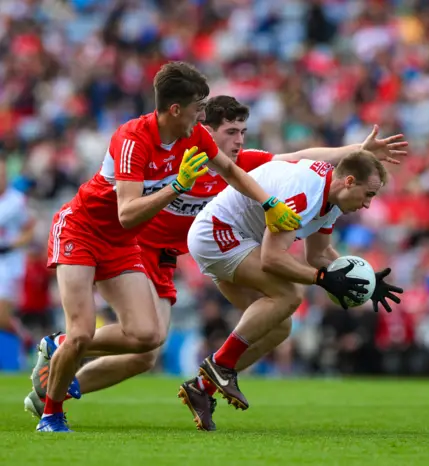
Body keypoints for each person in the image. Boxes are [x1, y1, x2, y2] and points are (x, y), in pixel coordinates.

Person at [25, 95, 407, 431]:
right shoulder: (177, 157)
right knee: (147, 339)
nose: (240, 140)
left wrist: (357, 149)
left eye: (243, 131)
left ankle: (53, 389)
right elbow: (125, 194)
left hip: (168, 255)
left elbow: (300, 159)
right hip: (134, 245)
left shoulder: (242, 169)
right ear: (203, 130)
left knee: (155, 353)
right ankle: (65, 348)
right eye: (231, 132)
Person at [35, 63, 302, 433]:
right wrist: (177, 186)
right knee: (82, 332)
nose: (202, 116)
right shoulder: (133, 138)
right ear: (175, 109)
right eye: (197, 108)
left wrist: (270, 203)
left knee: (148, 337)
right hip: (81, 231)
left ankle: (60, 347)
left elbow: (233, 171)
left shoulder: (194, 137)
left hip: (122, 243)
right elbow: (127, 214)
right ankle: (51, 413)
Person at [182, 150, 403, 428]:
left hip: (236, 238)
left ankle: (201, 388)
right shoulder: (305, 194)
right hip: (217, 234)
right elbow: (272, 258)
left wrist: (367, 280)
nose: (368, 205)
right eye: (368, 194)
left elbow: (318, 255)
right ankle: (220, 364)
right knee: (290, 295)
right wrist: (323, 279)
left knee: (280, 326)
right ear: (348, 181)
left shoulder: (330, 199)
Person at [0, 158, 35, 371]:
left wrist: (13, 244)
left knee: (2, 317)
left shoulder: (16, 201)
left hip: (8, 264)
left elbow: (29, 229)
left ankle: (28, 341)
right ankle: (27, 344)